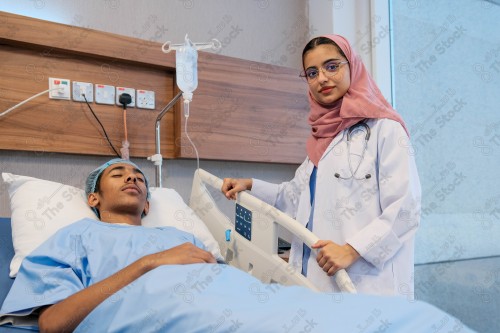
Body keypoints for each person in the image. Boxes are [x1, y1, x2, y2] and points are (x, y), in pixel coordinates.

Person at [1, 160, 474, 333]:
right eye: (117, 173)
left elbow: (227, 281)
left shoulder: (179, 236)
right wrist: (149, 264)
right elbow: (54, 323)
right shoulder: (74, 236)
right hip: (164, 312)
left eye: (140, 177)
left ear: (148, 203)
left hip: (240, 303)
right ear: (92, 197)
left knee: (420, 321)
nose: (133, 178)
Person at [221, 34, 421, 297]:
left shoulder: (386, 130)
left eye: (332, 66)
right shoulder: (321, 140)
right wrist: (251, 186)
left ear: (353, 66)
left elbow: (405, 209)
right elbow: (294, 199)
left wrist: (351, 250)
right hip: (312, 279)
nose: (322, 79)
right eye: (312, 73)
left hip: (366, 284)